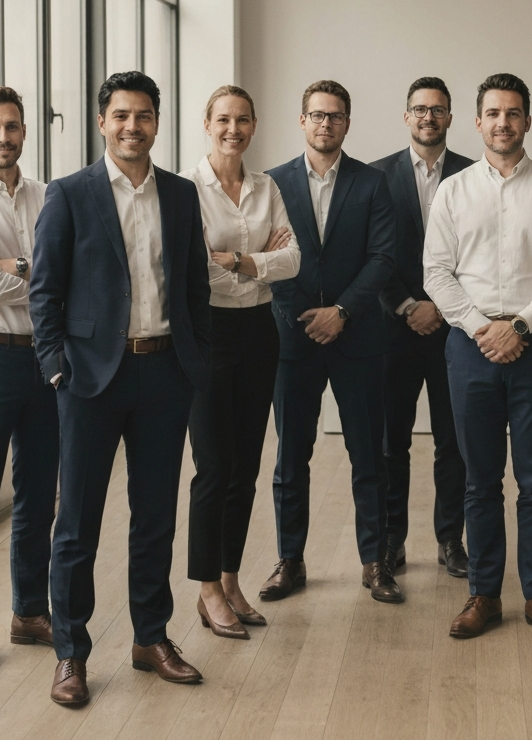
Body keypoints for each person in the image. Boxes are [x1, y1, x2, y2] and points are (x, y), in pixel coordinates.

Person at [30, 71, 212, 705]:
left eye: (144, 116)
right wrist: (57, 367)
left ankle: (150, 636)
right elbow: (44, 292)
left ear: (157, 123)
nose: (132, 126)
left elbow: (196, 289)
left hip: (166, 373)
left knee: (156, 517)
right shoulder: (70, 193)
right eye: (121, 116)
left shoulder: (184, 196)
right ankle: (71, 652)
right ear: (102, 122)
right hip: (88, 380)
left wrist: (196, 360)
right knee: (76, 522)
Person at [424, 73, 532, 642]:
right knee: (479, 479)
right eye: (493, 113)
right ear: (477, 121)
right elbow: (436, 273)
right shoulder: (453, 190)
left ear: (527, 122)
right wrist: (480, 329)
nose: (503, 123)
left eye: (513, 113)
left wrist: (518, 325)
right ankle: (484, 595)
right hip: (470, 351)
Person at [261, 80, 399, 604]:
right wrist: (305, 315)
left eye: (336, 116)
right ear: (302, 121)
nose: (326, 124)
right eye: (317, 115)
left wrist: (341, 311)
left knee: (370, 456)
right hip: (293, 341)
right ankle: (289, 560)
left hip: (358, 337)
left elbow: (383, 257)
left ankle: (374, 562)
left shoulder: (372, 183)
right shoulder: (272, 183)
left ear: (347, 123)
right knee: (291, 457)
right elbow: (268, 258)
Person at [181, 86, 300, 639]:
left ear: (254, 125)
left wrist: (235, 259)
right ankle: (206, 590)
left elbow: (293, 259)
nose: (234, 129)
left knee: (247, 468)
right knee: (212, 469)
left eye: (244, 119)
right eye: (224, 119)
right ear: (207, 124)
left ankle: (230, 579)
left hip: (259, 331)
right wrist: (258, 262)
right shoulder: (187, 192)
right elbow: (195, 272)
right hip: (209, 334)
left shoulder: (266, 186)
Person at [0, 88, 58, 676]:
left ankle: (28, 611)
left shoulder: (48, 195)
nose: (4, 136)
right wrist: (39, 270)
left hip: (45, 359)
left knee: (36, 497)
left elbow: (71, 274)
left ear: (26, 132)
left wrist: (14, 266)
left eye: (14, 126)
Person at [370, 77, 471, 579]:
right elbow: (373, 255)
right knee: (393, 441)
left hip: (456, 329)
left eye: (437, 110)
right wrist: (409, 305)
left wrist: (444, 308)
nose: (428, 117)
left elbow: (479, 258)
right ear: (406, 116)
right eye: (419, 109)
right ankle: (391, 539)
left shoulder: (475, 174)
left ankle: (450, 538)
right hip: (393, 329)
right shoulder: (375, 177)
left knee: (454, 440)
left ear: (450, 118)